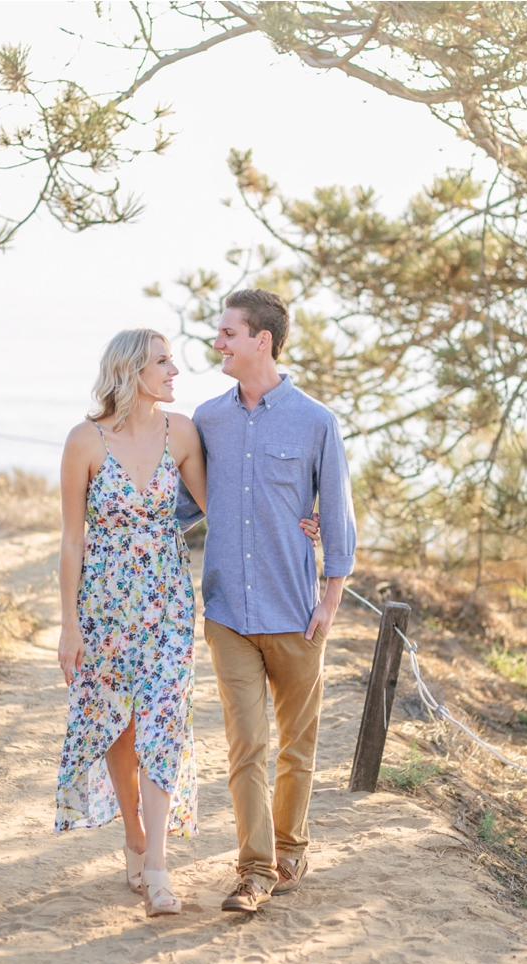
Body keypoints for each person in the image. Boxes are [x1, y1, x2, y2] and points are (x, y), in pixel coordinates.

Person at [54, 327, 320, 918]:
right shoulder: (84, 440)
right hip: (103, 606)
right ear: (130, 371)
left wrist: (304, 518)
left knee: (162, 725)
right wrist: (68, 625)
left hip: (168, 605)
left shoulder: (184, 432)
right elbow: (72, 540)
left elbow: (222, 504)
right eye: (163, 362)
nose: (175, 370)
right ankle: (135, 838)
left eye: (172, 360)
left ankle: (157, 869)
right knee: (118, 733)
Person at [178, 289, 357, 914]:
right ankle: (253, 873)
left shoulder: (315, 422)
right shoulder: (207, 419)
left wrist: (328, 606)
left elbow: (336, 522)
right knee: (246, 744)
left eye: (229, 333)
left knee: (296, 746)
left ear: (263, 341)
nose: (218, 343)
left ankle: (291, 847)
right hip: (226, 612)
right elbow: (177, 508)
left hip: (296, 614)